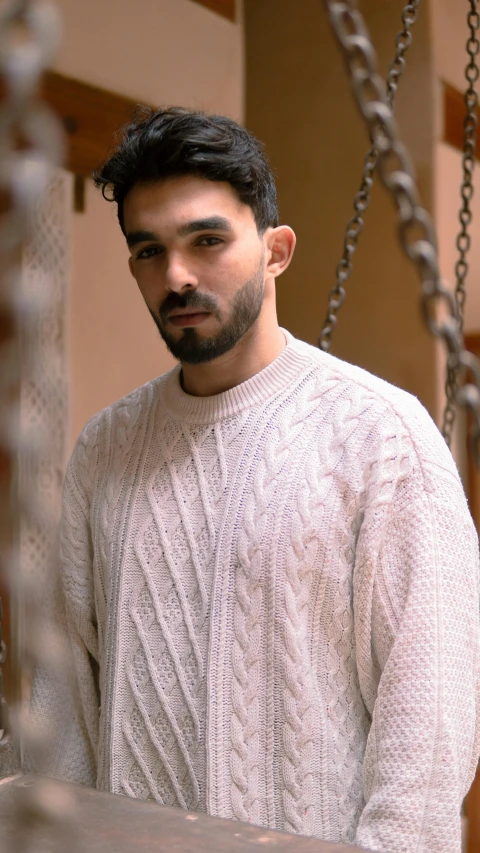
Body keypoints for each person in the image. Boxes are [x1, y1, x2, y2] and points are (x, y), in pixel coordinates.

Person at [33, 106, 480, 853]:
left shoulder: (383, 439)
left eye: (206, 240)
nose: (176, 275)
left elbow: (427, 739)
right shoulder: (104, 449)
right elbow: (66, 707)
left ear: (276, 250)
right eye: (149, 251)